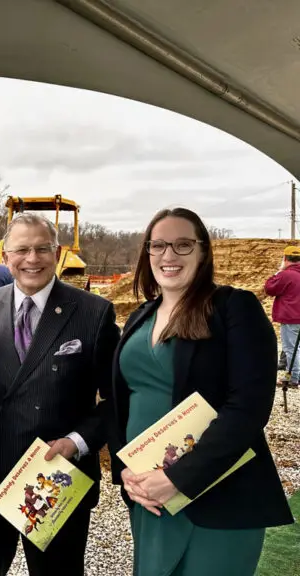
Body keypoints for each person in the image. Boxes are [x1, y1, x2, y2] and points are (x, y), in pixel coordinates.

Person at [109, 207, 293, 576]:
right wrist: (124, 469)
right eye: (159, 245)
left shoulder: (234, 308)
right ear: (147, 252)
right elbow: (122, 400)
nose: (169, 255)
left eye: (183, 245)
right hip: (150, 494)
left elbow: (247, 408)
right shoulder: (140, 316)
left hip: (218, 496)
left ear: (203, 251)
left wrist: (177, 479)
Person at [0, 212, 120, 576]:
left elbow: (115, 399)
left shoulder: (93, 313)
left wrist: (77, 442)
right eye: (22, 250)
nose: (32, 259)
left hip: (56, 474)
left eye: (42, 249)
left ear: (57, 253)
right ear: (5, 256)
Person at [265, 245, 300, 386]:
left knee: (290, 349)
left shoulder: (286, 275)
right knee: (297, 348)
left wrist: (279, 271)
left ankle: (293, 378)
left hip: (291, 318)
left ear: (285, 258)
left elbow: (269, 288)